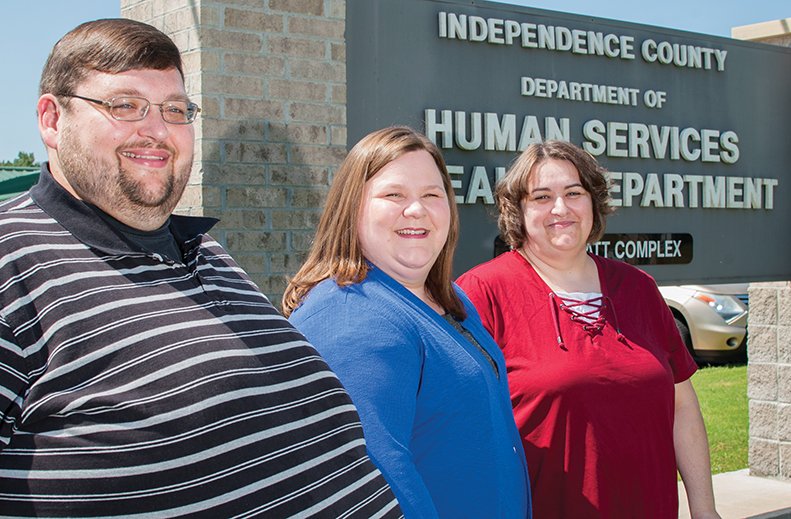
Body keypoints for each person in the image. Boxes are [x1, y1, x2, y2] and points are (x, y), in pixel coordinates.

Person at [0, 18, 402, 518]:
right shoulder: (11, 259)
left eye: (175, 110)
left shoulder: (205, 251)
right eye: (124, 105)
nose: (157, 130)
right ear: (51, 120)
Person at [456, 140, 720, 518]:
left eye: (574, 192)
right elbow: (461, 430)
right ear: (518, 209)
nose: (560, 208)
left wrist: (704, 509)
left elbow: (682, 405)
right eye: (542, 196)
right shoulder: (482, 293)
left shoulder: (639, 288)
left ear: (593, 202)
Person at [283, 126, 531, 519]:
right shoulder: (351, 316)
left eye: (432, 195)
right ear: (352, 207)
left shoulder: (450, 298)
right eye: (394, 194)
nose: (416, 210)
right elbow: (375, 482)